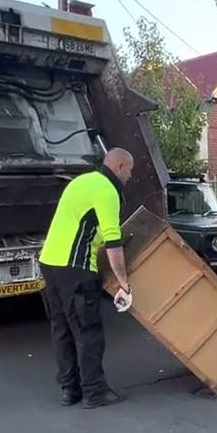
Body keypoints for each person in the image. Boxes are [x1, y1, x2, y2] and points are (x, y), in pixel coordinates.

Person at [38, 148, 135, 408]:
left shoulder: (82, 181)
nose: (130, 177)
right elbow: (113, 240)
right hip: (75, 267)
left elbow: (86, 226)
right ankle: (94, 392)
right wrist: (123, 284)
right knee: (87, 330)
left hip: (49, 262)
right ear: (120, 167)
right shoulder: (107, 190)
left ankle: (70, 391)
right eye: (130, 171)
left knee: (62, 329)